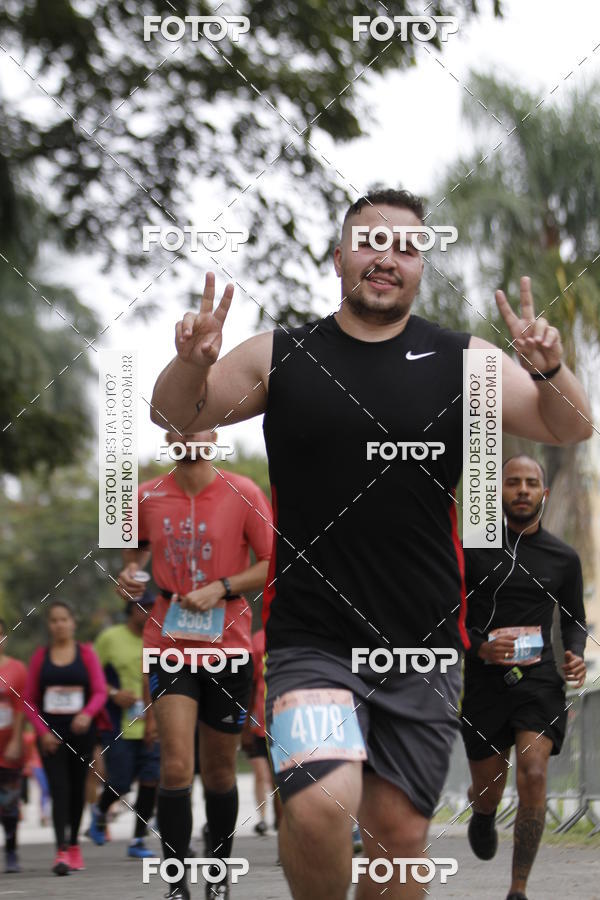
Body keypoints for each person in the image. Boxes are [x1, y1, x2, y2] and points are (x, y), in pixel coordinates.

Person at [150, 187, 593, 900]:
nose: (387, 258)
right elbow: (175, 416)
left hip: (420, 645)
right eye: (370, 241)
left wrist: (550, 369)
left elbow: (570, 426)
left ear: (421, 268)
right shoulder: (281, 353)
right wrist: (194, 365)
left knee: (399, 839)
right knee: (322, 806)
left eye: (407, 247)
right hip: (311, 638)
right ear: (339, 257)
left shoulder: (463, 360)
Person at [116, 429, 272, 900]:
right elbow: (134, 558)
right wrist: (130, 575)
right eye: (179, 427)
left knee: (221, 773)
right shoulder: (146, 496)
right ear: (169, 435)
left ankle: (218, 875)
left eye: (198, 427)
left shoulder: (243, 491)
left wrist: (222, 587)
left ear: (213, 435)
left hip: (229, 647)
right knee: (177, 766)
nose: (189, 435)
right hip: (167, 643)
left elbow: (274, 562)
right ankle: (175, 883)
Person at [461, 455, 587, 900]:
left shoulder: (563, 557)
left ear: (543, 493)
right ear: (497, 492)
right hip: (484, 683)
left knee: (533, 773)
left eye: (531, 483)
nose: (522, 490)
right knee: (488, 786)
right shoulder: (470, 551)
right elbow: (446, 618)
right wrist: (478, 646)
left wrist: (575, 653)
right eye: (512, 482)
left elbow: (574, 619)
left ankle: (518, 890)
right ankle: (483, 811)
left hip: (539, 681)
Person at [24, 601, 109, 875]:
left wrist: (87, 713)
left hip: (81, 732)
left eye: (64, 619)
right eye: (54, 620)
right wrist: (42, 732)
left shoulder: (86, 655)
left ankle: (73, 845)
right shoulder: (40, 656)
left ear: (73, 623)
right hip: (50, 736)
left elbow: (99, 691)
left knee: (76, 790)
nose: (59, 624)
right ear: (49, 626)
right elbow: (29, 700)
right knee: (58, 790)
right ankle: (60, 851)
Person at [89, 590, 160, 858]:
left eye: (154, 607)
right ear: (131, 609)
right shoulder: (111, 638)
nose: (150, 612)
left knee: (151, 780)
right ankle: (99, 811)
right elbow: (91, 676)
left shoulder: (160, 638)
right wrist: (113, 693)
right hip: (119, 723)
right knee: (120, 783)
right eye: (144, 608)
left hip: (152, 722)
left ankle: (138, 841)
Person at [241, 627, 281, 837]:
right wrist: (245, 724)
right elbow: (251, 683)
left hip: (282, 721)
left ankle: (282, 827)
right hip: (258, 723)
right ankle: (263, 819)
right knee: (262, 774)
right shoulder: (256, 640)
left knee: (277, 779)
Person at [0, 619, 27, 873]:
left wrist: (17, 740)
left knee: (9, 802)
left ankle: (11, 850)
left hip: (7, 746)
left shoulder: (17, 669)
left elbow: (21, 708)